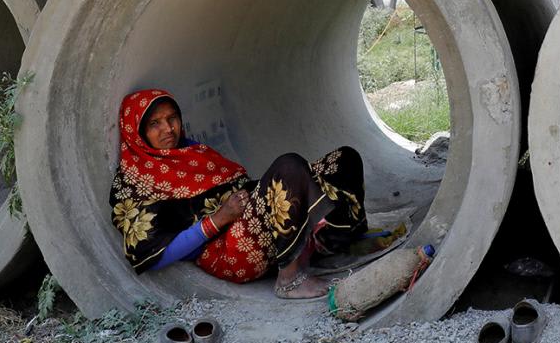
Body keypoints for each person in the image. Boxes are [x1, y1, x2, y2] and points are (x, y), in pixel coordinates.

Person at [110, 89, 368, 299]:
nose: (168, 128)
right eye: (155, 123)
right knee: (288, 167)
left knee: (344, 159)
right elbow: (151, 257)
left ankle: (329, 240)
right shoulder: (134, 182)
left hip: (250, 217)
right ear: (137, 132)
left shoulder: (190, 152)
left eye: (172, 118)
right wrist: (217, 221)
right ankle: (289, 280)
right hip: (229, 252)